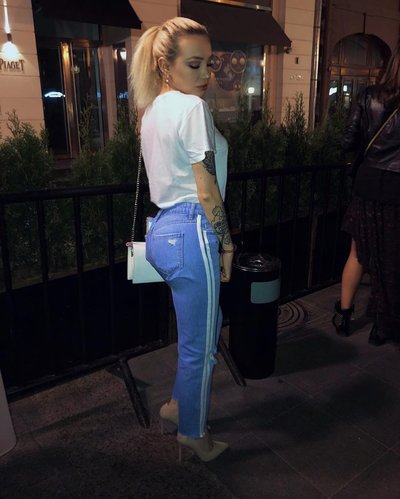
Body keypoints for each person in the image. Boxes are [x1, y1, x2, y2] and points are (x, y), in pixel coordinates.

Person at [131, 17, 234, 461]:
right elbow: (206, 190)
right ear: (164, 65)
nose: (206, 73)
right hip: (192, 230)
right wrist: (226, 243)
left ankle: (177, 406)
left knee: (197, 334)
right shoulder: (192, 109)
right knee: (202, 348)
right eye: (195, 64)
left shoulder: (152, 110)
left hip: (163, 231)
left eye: (209, 63)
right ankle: (194, 432)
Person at [335, 38, 400, 345]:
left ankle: (344, 316)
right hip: (396, 188)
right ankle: (382, 326)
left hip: (368, 182)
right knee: (392, 256)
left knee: (357, 252)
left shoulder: (369, 95)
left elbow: (348, 141)